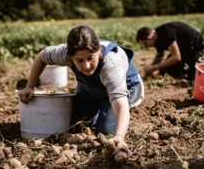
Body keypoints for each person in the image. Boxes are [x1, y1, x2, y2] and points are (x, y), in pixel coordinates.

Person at [19, 25, 140, 157]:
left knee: (107, 130)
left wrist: (119, 137)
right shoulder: (63, 53)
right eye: (79, 60)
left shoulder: (111, 65)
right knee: (75, 122)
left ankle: (111, 114)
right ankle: (101, 109)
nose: (86, 66)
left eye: (90, 58)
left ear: (99, 48)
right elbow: (42, 56)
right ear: (70, 56)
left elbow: (120, 104)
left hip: (124, 83)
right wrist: (30, 86)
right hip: (89, 87)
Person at [136, 21, 204, 80]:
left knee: (193, 76)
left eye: (144, 44)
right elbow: (159, 55)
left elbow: (176, 57)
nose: (145, 47)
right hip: (183, 50)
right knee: (164, 71)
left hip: (196, 46)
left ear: (149, 38)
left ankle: (197, 65)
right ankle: (187, 65)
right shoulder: (156, 38)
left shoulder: (165, 32)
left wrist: (155, 67)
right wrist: (150, 68)